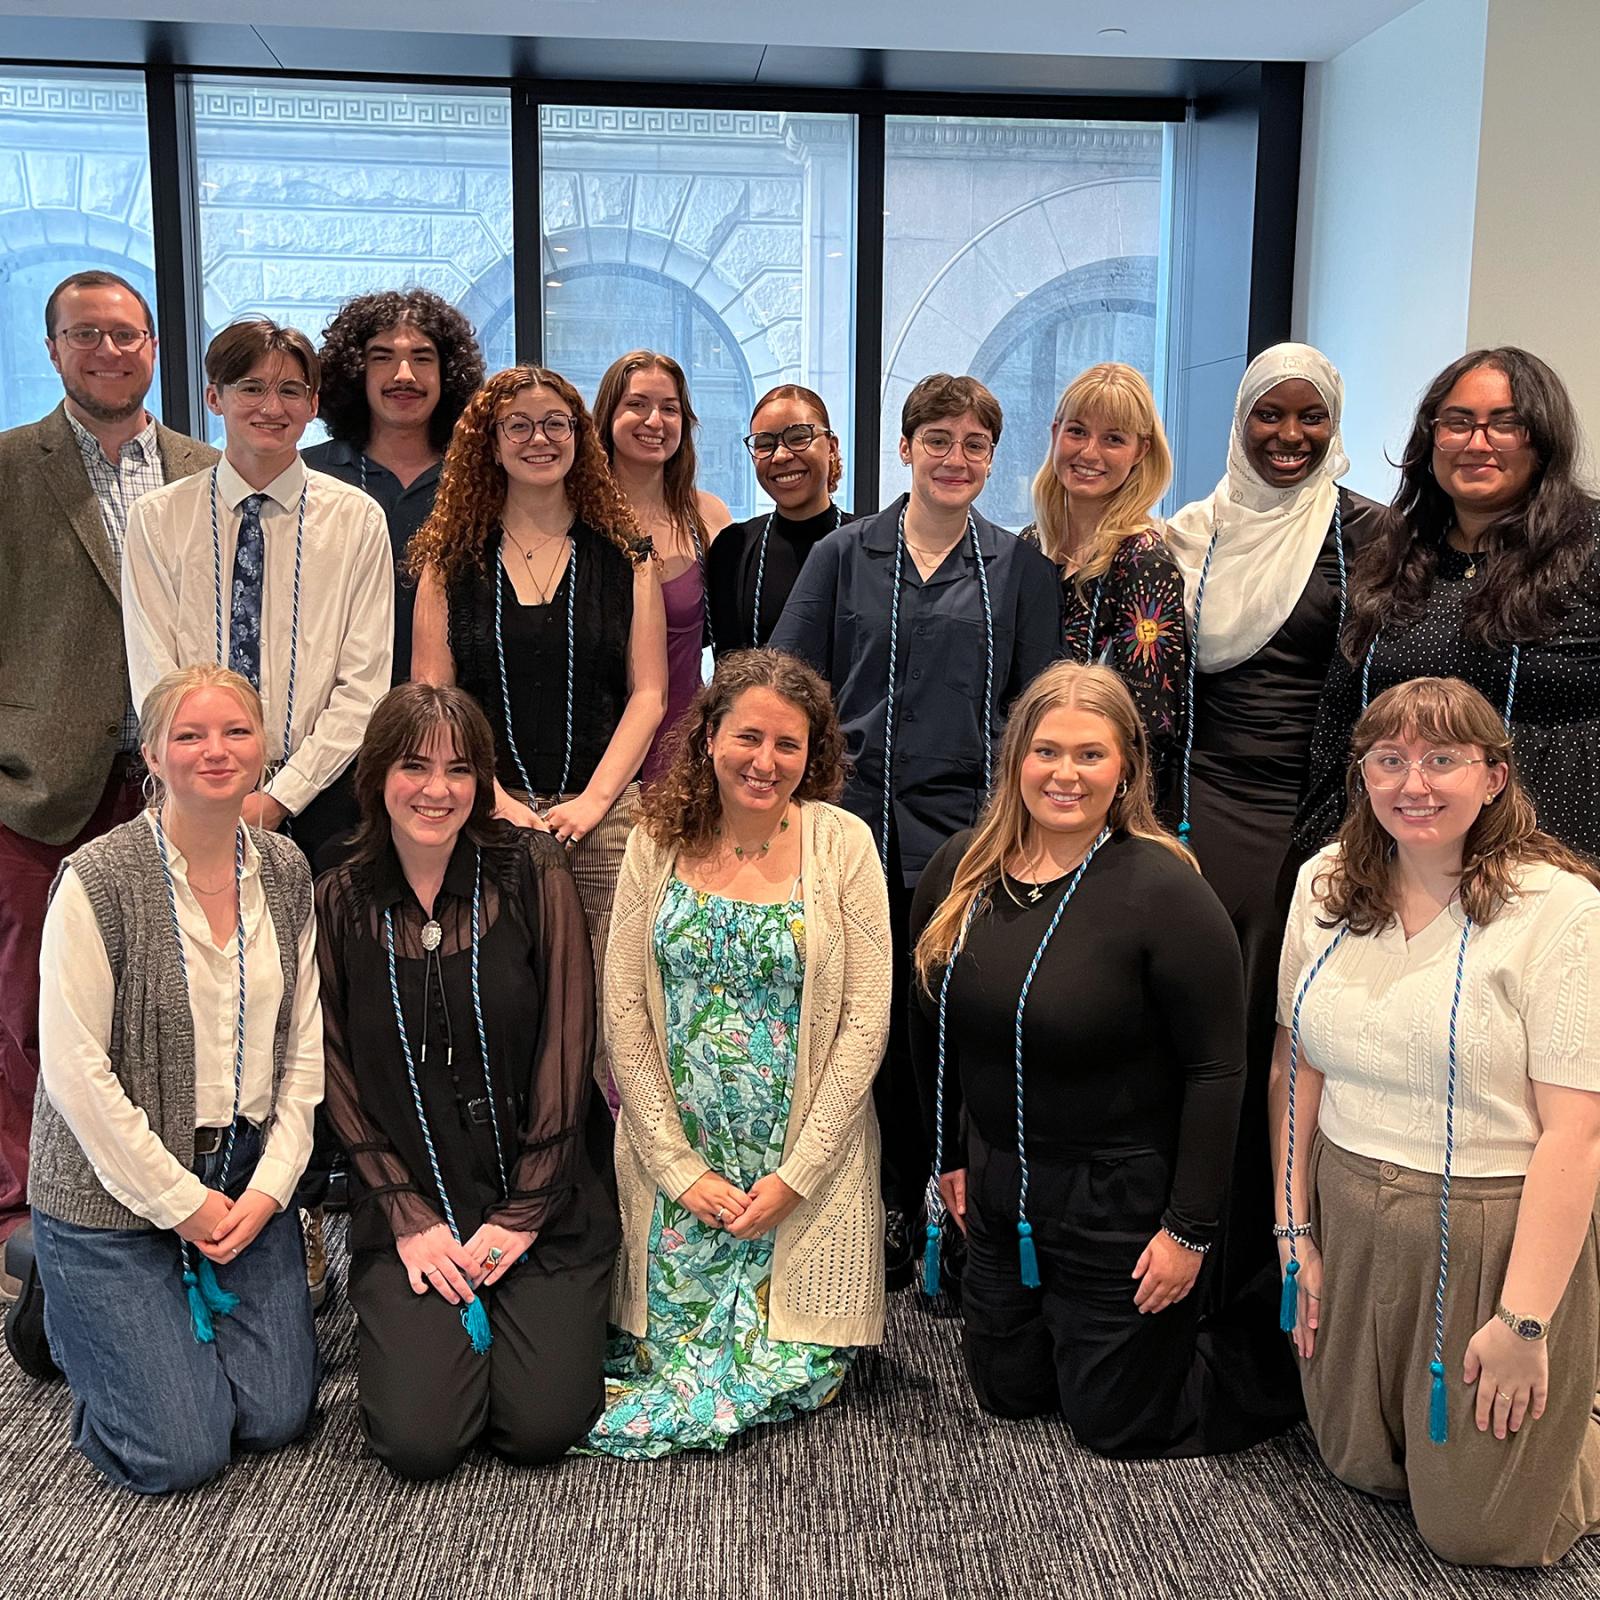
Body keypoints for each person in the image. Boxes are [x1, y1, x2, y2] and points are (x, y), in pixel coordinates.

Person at [909, 661, 1280, 1457]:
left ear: (1126, 771)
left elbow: (1218, 1071)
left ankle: (1264, 1354)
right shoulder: (959, 870)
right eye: (1046, 751)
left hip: (1118, 1196)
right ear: (1014, 761)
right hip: (1001, 1180)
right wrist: (948, 1161)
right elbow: (930, 1034)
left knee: (1116, 1424)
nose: (1065, 775)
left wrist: (1189, 1232)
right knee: (1008, 1395)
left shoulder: (1165, 891)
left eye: (1090, 755)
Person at [1273, 676, 1600, 1567]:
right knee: (1358, 1465)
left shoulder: (1559, 910)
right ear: (1364, 774)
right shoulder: (1325, 885)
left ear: (1494, 776)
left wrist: (1526, 1322)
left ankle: (1579, 1401)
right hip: (1349, 1204)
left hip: (1491, 1224)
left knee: (1480, 1531)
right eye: (1390, 760)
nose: (1414, 783)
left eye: (1443, 759)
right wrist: (1293, 1231)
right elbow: (1293, 1065)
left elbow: (1577, 1136)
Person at [771, 372, 1063, 1287]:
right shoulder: (845, 556)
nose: (956, 458)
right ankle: (874, 1207)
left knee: (942, 1025)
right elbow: (789, 685)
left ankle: (946, 1212)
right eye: (938, 439)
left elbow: (1037, 710)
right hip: (847, 828)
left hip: (965, 839)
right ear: (905, 448)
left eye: (975, 444)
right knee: (858, 1022)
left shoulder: (1019, 568)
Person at [587, 649, 891, 1457]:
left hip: (798, 1182)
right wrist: (678, 1170)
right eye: (748, 737)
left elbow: (865, 1022)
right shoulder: (657, 837)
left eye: (788, 745)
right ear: (710, 736)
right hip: (681, 1177)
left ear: (813, 754)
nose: (765, 762)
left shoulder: (844, 845)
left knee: (787, 1366)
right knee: (650, 1368)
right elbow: (623, 1008)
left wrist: (796, 1180)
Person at [314, 683, 617, 1479]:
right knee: (422, 1443)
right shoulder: (340, 899)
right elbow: (335, 1070)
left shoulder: (532, 870)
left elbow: (567, 1045)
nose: (437, 789)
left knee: (539, 1427)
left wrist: (523, 1213)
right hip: (412, 1199)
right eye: (414, 765)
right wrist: (408, 1216)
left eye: (460, 768)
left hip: (542, 1197)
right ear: (379, 773)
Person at [30, 665, 321, 1492]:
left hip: (239, 1178)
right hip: (110, 1195)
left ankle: (147, 1331)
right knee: (180, 1452)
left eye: (235, 732)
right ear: (152, 753)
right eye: (189, 735)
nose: (215, 751)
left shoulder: (288, 873)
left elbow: (303, 1057)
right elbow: (75, 1074)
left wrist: (267, 1191)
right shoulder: (97, 879)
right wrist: (180, 1205)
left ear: (264, 747)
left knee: (275, 1417)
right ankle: (62, 1302)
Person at [1162, 344, 1384, 1356]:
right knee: (1214, 1040)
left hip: (1322, 819)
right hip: (1203, 816)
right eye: (1268, 416)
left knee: (1300, 1047)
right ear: (1237, 420)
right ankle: (1195, 1257)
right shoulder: (1187, 540)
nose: (1289, 437)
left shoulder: (1371, 537)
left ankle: (1277, 1278)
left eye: (1310, 419)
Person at [0, 271, 216, 1309]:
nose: (108, 350)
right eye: (85, 333)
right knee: (34, 1006)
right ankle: (23, 1209)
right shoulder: (8, 468)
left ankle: (152, 1184)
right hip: (44, 784)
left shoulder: (206, 470)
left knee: (171, 1001)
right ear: (54, 349)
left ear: (155, 346)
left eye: (125, 333)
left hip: (177, 784)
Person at [410, 365, 667, 1098]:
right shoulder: (448, 561)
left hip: (607, 814)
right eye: (517, 425)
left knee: (624, 1026)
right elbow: (433, 699)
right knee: (501, 1010)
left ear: (581, 439)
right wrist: (494, 799)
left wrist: (592, 803)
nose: (539, 439)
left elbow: (648, 695)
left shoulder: (629, 555)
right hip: (479, 810)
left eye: (557, 423)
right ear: (489, 443)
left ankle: (614, 1191)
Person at [1294, 346, 1600, 866]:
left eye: (1505, 425)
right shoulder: (1393, 552)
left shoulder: (1589, 546)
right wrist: (1323, 847)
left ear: (1543, 439)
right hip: (1394, 859)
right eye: (1458, 422)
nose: (1477, 443)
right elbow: (1340, 720)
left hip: (1551, 860)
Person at [122, 317, 395, 873]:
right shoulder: (157, 518)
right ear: (214, 398)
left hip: (324, 796)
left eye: (290, 390)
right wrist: (212, 780)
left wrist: (280, 795)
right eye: (251, 387)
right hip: (191, 792)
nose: (271, 406)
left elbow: (364, 683)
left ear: (313, 404)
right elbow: (155, 674)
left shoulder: (358, 520)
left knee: (320, 956)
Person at [303, 287, 486, 689]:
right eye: (382, 357)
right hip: (331, 719)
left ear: (448, 373)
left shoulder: (482, 478)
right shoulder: (308, 475)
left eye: (423, 358)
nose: (404, 375)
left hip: (456, 719)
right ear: (356, 372)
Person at [1019, 362, 1188, 788]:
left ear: (1141, 451)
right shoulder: (1028, 545)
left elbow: (1149, 720)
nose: (1089, 453)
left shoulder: (1144, 561)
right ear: (1055, 432)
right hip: (1030, 783)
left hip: (1098, 796)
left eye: (1113, 438)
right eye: (1077, 431)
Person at [593, 351, 732, 784]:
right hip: (592, 754)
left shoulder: (707, 517)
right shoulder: (573, 517)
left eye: (669, 408)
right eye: (637, 404)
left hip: (683, 755)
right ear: (608, 415)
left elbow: (730, 645)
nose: (654, 421)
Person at [707, 385, 855, 652]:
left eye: (799, 437)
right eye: (765, 444)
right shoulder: (733, 548)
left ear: (831, 447)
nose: (782, 455)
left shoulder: (870, 547)